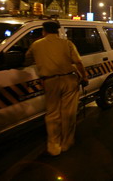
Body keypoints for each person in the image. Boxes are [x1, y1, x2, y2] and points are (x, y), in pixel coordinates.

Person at [25, 21, 89, 156]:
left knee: (52, 114)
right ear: (58, 31)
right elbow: (78, 62)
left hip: (50, 82)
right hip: (69, 80)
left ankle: (54, 146)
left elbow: (27, 59)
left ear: (44, 31)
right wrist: (84, 77)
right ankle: (67, 142)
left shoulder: (36, 45)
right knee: (69, 113)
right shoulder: (67, 44)